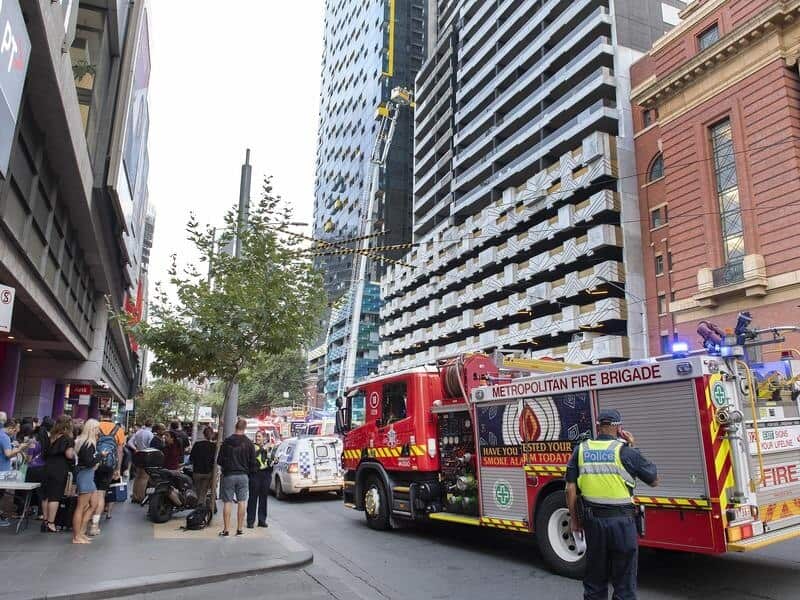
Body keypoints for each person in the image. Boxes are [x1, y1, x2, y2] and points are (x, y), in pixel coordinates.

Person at [566, 409, 659, 600]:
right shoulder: (626, 452)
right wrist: (633, 446)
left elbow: (569, 489)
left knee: (595, 581)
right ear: (619, 428)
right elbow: (654, 480)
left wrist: (575, 521)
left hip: (593, 522)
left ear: (598, 426)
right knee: (624, 583)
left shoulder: (581, 450)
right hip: (622, 524)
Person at [217, 418, 256, 537]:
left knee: (227, 502)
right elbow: (253, 462)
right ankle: (239, 529)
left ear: (235, 426)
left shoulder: (227, 441)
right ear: (245, 428)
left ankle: (226, 530)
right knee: (242, 501)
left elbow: (220, 460)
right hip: (243, 475)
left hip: (229, 475)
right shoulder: (249, 443)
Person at [89, 412, 125, 536]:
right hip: (109, 466)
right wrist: (118, 469)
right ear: (112, 417)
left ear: (100, 416)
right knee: (101, 494)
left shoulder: (95, 427)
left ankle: (86, 518)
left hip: (93, 464)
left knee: (89, 492)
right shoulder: (118, 430)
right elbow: (120, 451)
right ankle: (95, 525)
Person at [42, 416, 74, 533]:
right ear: (67, 425)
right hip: (59, 468)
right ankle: (51, 523)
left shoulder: (51, 437)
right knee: (55, 496)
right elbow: (69, 455)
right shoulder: (67, 439)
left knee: (46, 495)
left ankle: (45, 521)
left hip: (47, 467)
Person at [73, 419, 102, 544]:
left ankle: (81, 532)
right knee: (81, 506)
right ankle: (77, 536)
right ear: (92, 429)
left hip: (87, 475)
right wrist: (101, 456)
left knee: (93, 504)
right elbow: (90, 462)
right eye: (97, 429)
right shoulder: (88, 443)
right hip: (86, 475)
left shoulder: (84, 442)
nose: (99, 431)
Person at [247, 431, 271, 529]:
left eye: (259, 437)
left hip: (265, 474)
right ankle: (250, 521)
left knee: (263, 498)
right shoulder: (252, 447)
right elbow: (253, 457)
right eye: (257, 436)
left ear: (264, 438)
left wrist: (272, 461)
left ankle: (262, 520)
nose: (257, 438)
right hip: (255, 474)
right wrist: (262, 449)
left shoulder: (268, 448)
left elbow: (271, 459)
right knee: (253, 498)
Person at [189, 426, 215, 506]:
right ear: (212, 435)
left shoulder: (197, 444)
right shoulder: (213, 446)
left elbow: (191, 458)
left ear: (204, 434)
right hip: (208, 472)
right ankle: (201, 507)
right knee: (203, 491)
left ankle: (200, 506)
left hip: (197, 472)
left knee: (198, 491)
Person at [130, 420, 154, 503]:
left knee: (138, 477)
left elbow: (130, 442)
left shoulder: (139, 432)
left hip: (139, 454)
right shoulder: (150, 434)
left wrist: (136, 449)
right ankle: (141, 497)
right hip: (146, 455)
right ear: (152, 425)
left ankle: (135, 495)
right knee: (144, 477)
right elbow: (151, 445)